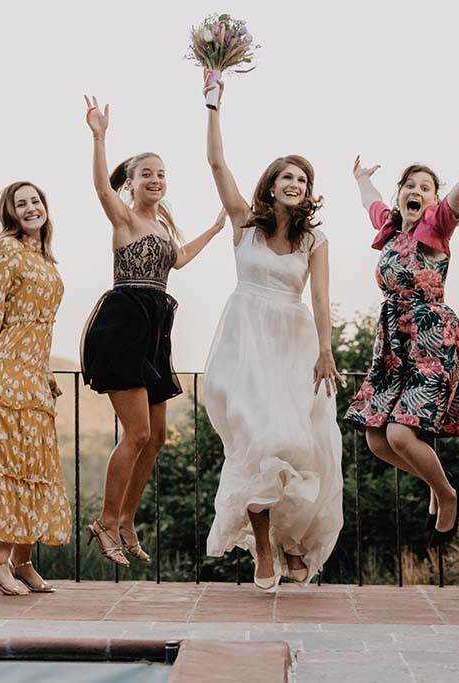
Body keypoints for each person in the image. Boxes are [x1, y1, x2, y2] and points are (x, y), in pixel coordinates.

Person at [200, 74, 344, 592]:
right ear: (271, 183)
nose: (294, 184)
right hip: (244, 345)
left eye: (302, 180)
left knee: (299, 446)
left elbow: (321, 299)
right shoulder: (244, 222)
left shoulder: (315, 238)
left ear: (307, 192)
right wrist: (213, 101)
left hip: (293, 345)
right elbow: (216, 163)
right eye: (286, 176)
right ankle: (263, 546)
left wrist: (325, 352)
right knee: (260, 441)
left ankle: (291, 544)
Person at [344, 119, 459, 546]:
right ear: (400, 194)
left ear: (434, 200)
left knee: (401, 434)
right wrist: (362, 180)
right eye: (410, 185)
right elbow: (371, 203)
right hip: (392, 342)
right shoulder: (389, 229)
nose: (416, 191)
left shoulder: (437, 226)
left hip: (430, 338)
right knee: (377, 440)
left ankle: (446, 492)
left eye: (426, 187)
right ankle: (436, 480)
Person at [81, 95, 226, 567]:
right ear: (132, 182)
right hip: (123, 326)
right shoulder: (123, 216)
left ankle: (126, 520)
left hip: (156, 330)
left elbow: (178, 259)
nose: (156, 180)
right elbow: (102, 190)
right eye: (147, 174)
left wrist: (215, 227)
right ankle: (104, 521)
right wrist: (100, 138)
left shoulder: (163, 222)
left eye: (161, 173)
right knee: (138, 432)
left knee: (158, 436)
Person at [0, 181, 72, 595]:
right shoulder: (7, 250)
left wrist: (44, 373)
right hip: (5, 376)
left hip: (32, 375)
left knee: (34, 468)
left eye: (35, 201)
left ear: (45, 206)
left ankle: (21, 561)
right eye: (20, 204)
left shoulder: (43, 255)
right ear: (11, 213)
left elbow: (39, 327)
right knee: (13, 468)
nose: (30, 208)